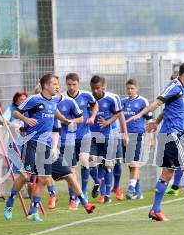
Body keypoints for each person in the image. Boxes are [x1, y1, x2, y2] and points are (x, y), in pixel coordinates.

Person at [3, 73, 95, 222]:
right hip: (31, 142)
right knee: (26, 176)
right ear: (46, 86)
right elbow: (15, 112)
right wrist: (26, 119)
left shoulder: (53, 101)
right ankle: (10, 202)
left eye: (58, 84)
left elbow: (54, 112)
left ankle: (33, 212)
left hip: (46, 146)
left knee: (44, 179)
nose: (57, 86)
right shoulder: (33, 99)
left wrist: (65, 120)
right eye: (54, 84)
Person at [133, 62, 184, 221]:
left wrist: (157, 123)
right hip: (171, 136)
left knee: (168, 172)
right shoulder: (174, 86)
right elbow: (158, 102)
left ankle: (155, 210)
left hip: (169, 135)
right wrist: (140, 115)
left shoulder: (182, 89)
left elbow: (167, 109)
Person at [89, 75, 127, 204]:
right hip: (92, 136)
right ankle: (98, 183)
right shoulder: (88, 98)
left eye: (97, 88)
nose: (95, 91)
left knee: (108, 164)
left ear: (103, 87)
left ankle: (108, 194)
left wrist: (108, 122)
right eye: (93, 88)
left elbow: (118, 113)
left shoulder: (111, 98)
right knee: (91, 161)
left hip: (109, 136)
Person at [63, 73, 98, 207]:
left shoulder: (86, 95)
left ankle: (83, 192)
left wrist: (93, 117)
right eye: (69, 84)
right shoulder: (62, 97)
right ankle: (74, 197)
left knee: (84, 160)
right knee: (71, 169)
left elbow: (95, 105)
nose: (72, 87)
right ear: (66, 84)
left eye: (74, 84)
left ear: (78, 83)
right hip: (68, 137)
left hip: (84, 134)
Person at [121, 79, 152, 199]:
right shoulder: (122, 102)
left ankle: (130, 189)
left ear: (136, 88)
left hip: (138, 135)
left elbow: (150, 120)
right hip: (125, 136)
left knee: (135, 163)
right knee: (130, 165)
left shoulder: (143, 101)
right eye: (128, 88)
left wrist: (150, 138)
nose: (129, 91)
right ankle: (138, 192)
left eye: (132, 88)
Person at [55, 82, 84, 209]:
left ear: (60, 88)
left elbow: (81, 118)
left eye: (57, 87)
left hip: (67, 141)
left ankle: (73, 198)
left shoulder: (70, 102)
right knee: (45, 172)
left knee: (71, 171)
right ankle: (52, 196)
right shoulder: (46, 103)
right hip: (51, 142)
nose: (55, 90)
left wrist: (70, 121)